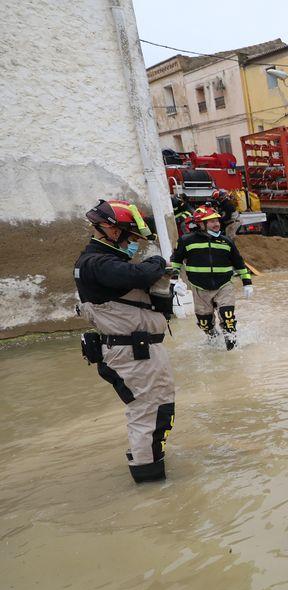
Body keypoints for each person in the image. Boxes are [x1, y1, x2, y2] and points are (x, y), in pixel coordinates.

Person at [75, 199, 176, 483]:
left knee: (153, 410)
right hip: (134, 353)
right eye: (131, 237)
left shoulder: (101, 261)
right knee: (150, 412)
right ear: (110, 229)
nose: (134, 244)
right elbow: (140, 273)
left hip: (136, 350)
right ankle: (151, 482)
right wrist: (157, 260)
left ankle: (150, 467)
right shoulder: (97, 262)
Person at [170, 205, 253, 350]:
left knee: (227, 317)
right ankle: (214, 342)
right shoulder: (186, 241)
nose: (216, 224)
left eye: (217, 221)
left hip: (224, 285)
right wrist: (174, 280)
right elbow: (176, 261)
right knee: (205, 323)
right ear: (201, 224)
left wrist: (247, 283)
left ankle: (231, 348)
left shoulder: (226, 241)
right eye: (211, 221)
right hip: (199, 287)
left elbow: (239, 263)